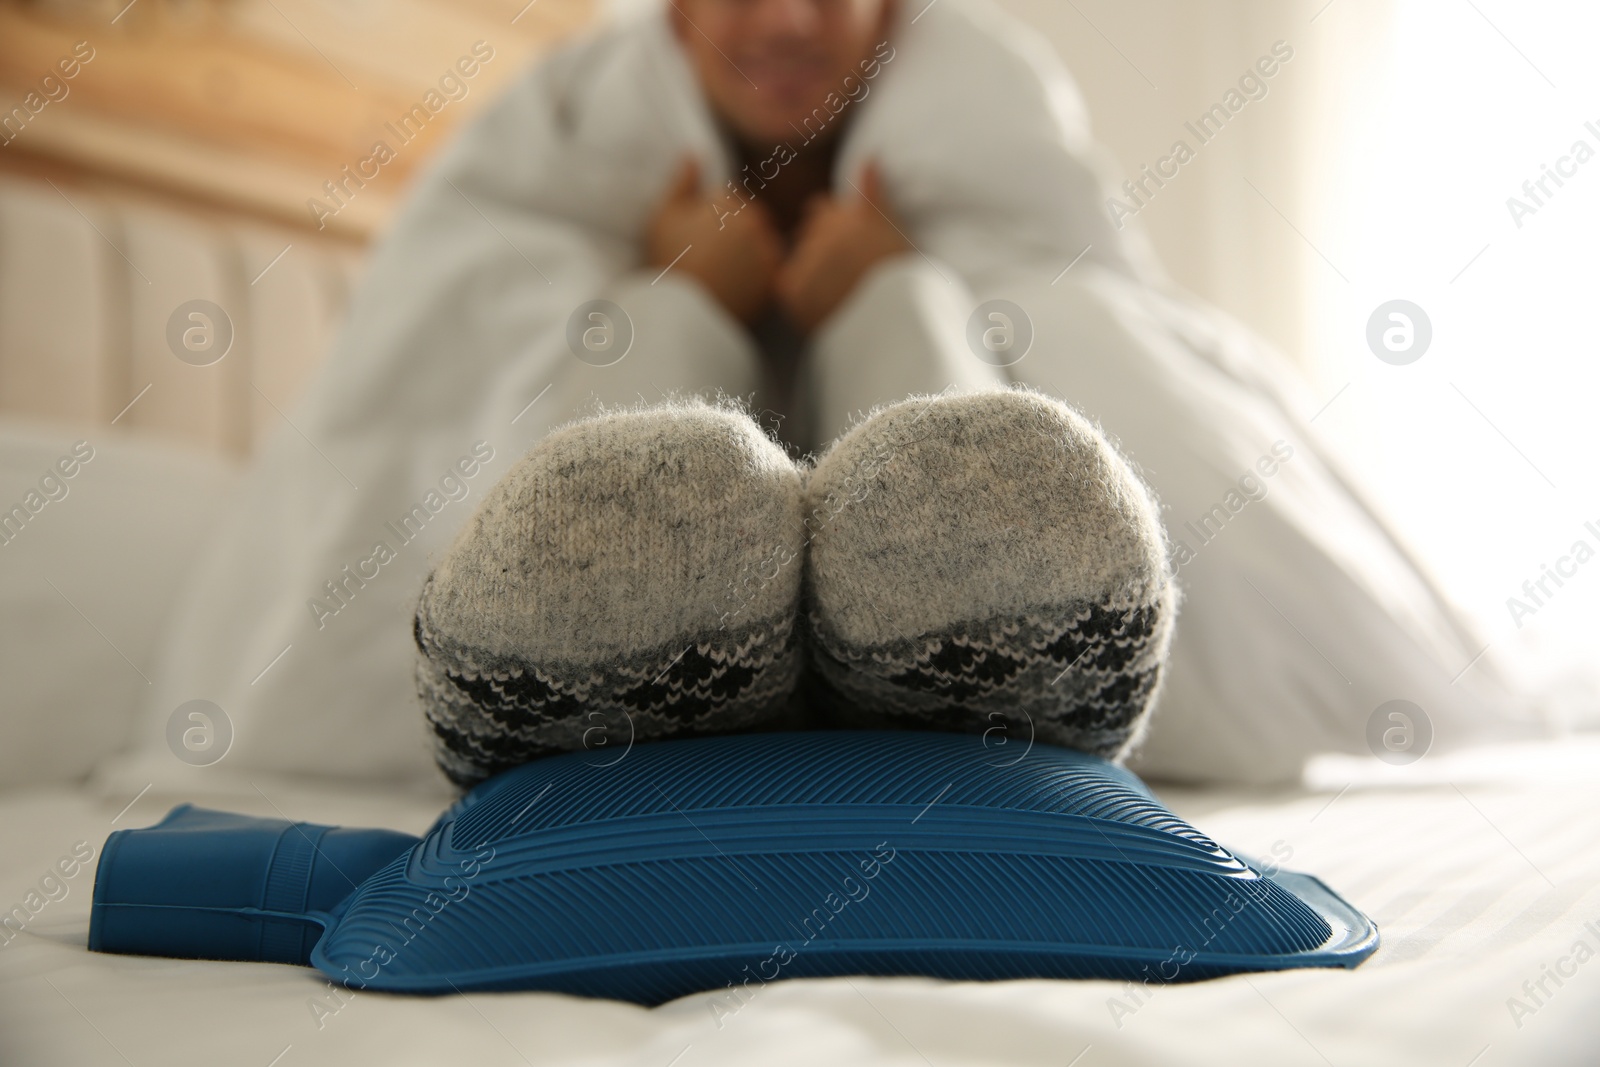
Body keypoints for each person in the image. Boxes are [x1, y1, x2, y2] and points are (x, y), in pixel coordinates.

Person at [120, 0, 1536, 798]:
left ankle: (970, 632)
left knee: (987, 372)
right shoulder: (551, 148)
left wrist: (893, 293)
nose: (789, 17)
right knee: (608, 400)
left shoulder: (987, 118)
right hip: (653, 353)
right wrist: (687, 297)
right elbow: (405, 401)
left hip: (922, 318)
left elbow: (1121, 325)